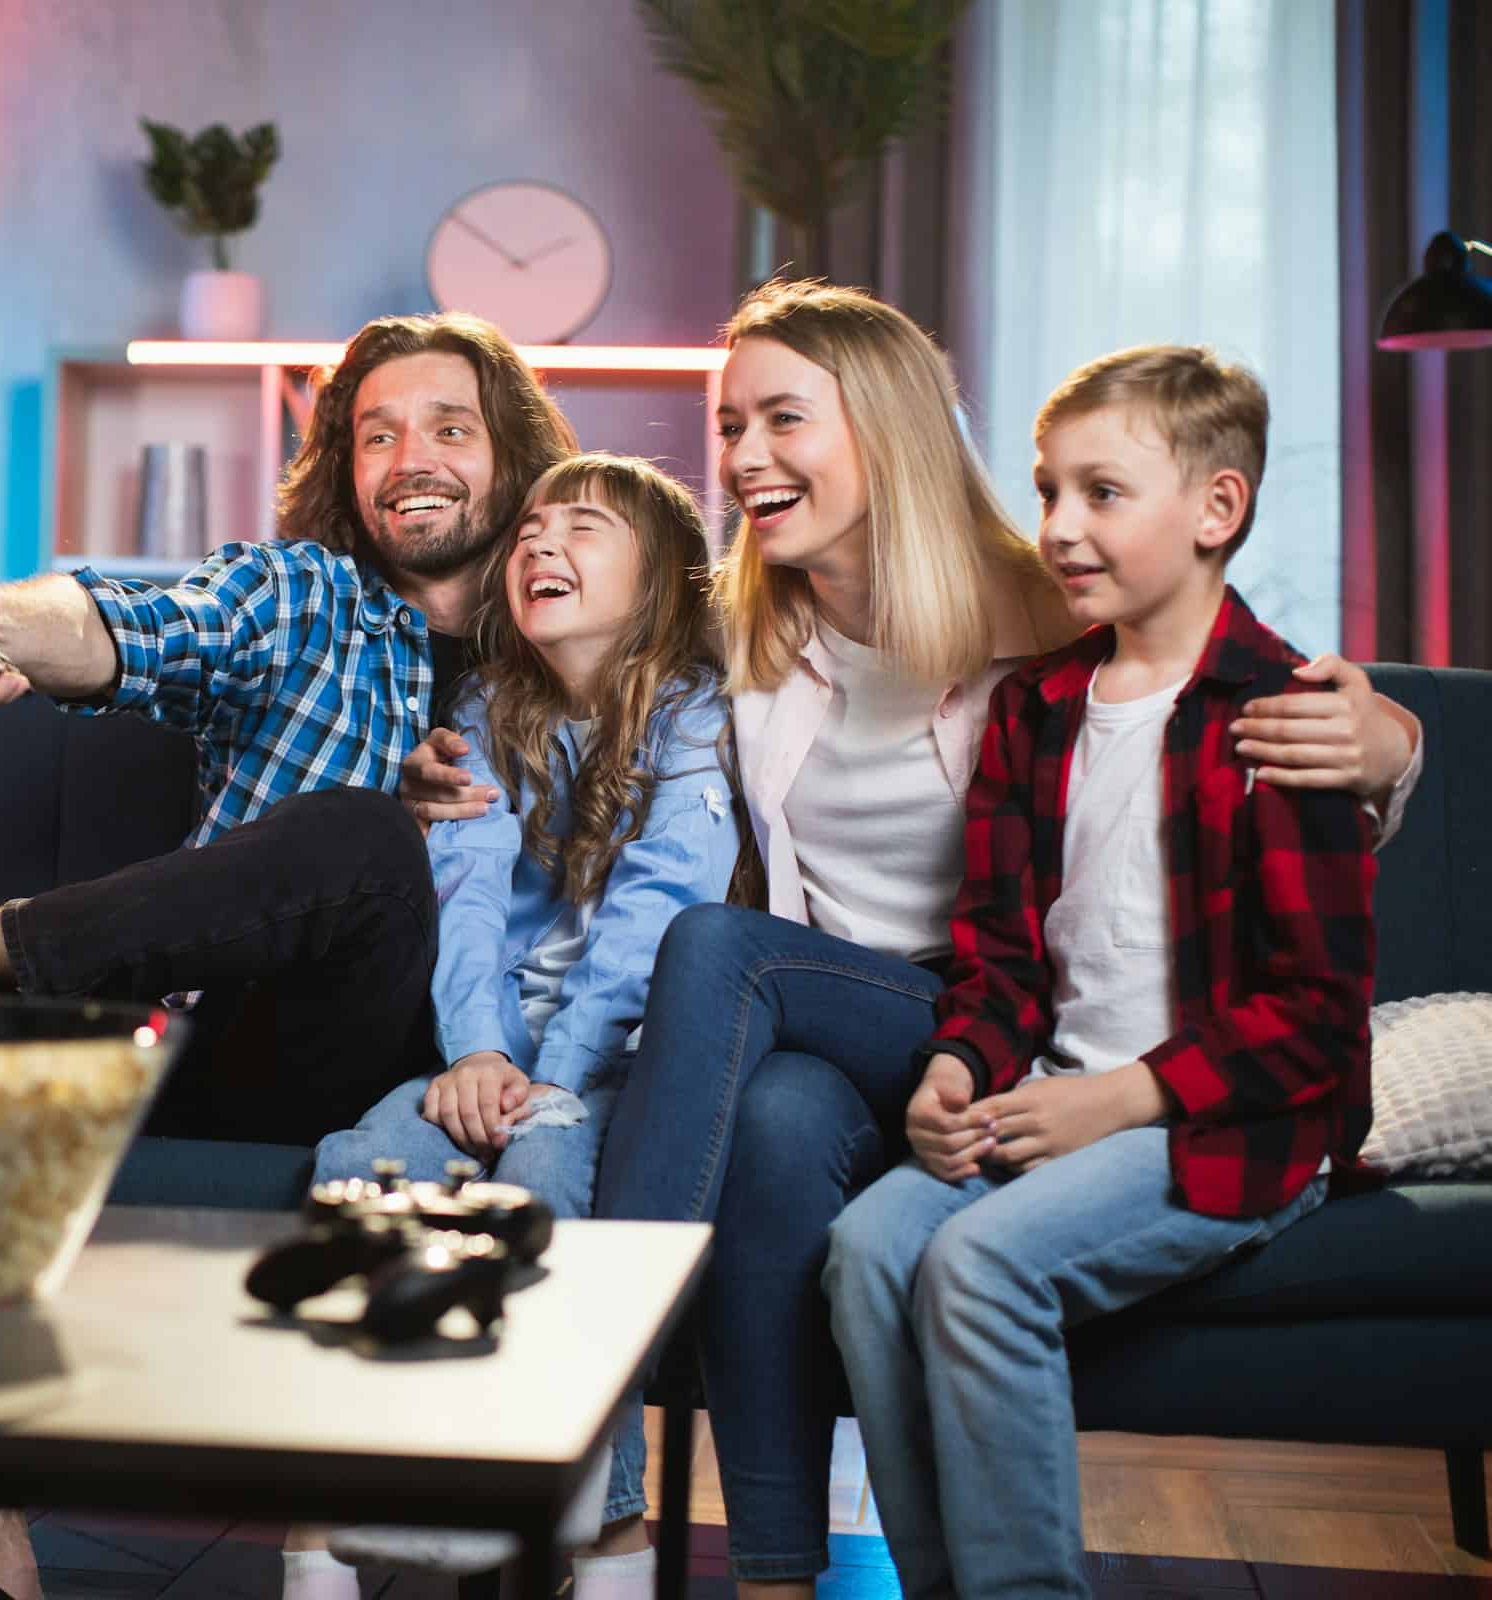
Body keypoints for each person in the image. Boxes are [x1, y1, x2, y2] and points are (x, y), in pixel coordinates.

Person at [400, 281, 1421, 1598]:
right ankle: (772, 1574)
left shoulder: (1049, 610)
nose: (747, 458)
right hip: (830, 1012)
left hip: (973, 1002)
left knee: (717, 951)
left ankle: (583, 1401)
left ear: (883, 427)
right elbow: (588, 673)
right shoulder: (743, 616)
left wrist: (1393, 745)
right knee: (770, 1118)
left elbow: (1213, 721)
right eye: (731, 425)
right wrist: (447, 764)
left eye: (784, 419)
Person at [0, 310, 578, 1600]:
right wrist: (2, 625)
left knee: (374, 841)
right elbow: (141, 620)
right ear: (344, 468)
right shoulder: (304, 596)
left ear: (511, 453)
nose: (413, 456)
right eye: (379, 433)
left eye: (450, 428)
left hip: (432, 1071)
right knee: (336, 848)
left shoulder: (580, 629)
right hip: (237, 1035)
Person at [821, 345, 1376, 1600]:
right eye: (1046, 490)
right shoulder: (1038, 710)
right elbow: (1001, 954)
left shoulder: (1285, 714)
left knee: (978, 1262)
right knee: (866, 1246)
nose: (1060, 528)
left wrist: (1115, 1101)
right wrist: (960, 1062)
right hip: (1053, 1095)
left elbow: (1318, 1021)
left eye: (1102, 493)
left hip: (1230, 1122)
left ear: (1216, 510)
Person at [299, 454, 747, 1600]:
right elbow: (469, 897)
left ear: (662, 581)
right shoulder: (489, 711)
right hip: (493, 1051)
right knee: (361, 1165)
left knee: (548, 1174)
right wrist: (479, 1057)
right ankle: (340, 1503)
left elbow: (659, 916)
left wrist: (550, 1078)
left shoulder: (700, 718)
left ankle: (580, 1525)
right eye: (531, 529)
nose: (541, 544)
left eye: (583, 529)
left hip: (625, 1057)